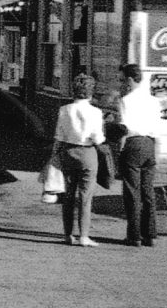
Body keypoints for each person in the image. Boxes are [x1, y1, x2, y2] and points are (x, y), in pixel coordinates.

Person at [53, 75, 106, 247]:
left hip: (68, 152)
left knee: (68, 195)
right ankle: (84, 236)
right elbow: (98, 138)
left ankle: (68, 234)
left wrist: (54, 154)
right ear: (91, 93)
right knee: (85, 196)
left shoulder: (64, 110)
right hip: (87, 153)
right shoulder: (96, 112)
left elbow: (59, 136)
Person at [117, 63, 161, 247]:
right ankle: (150, 234)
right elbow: (158, 129)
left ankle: (134, 235)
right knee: (148, 191)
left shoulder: (125, 101)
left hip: (133, 144)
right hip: (150, 144)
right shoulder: (154, 101)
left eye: (121, 79)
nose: (120, 83)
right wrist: (156, 151)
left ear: (129, 80)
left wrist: (120, 149)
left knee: (132, 191)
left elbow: (123, 128)